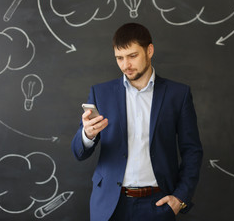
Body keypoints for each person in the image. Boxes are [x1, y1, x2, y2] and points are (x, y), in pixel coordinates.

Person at [71, 23, 203, 221]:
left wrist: (180, 198)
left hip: (158, 205)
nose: (126, 65)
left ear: (149, 51)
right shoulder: (101, 93)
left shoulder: (178, 94)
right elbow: (78, 152)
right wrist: (87, 135)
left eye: (132, 56)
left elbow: (192, 150)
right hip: (109, 205)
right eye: (119, 58)